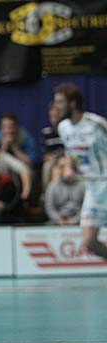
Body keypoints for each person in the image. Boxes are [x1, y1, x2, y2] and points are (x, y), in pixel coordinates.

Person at [54, 83, 107, 259]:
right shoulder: (63, 128)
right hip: (93, 190)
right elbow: (70, 152)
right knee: (88, 243)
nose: (56, 107)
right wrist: (69, 167)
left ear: (73, 103)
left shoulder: (96, 123)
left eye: (60, 102)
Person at [44, 155, 85, 225]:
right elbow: (49, 208)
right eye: (64, 167)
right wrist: (58, 219)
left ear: (75, 169)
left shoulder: (83, 185)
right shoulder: (53, 185)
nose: (68, 171)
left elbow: (86, 207)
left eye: (71, 167)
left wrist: (75, 220)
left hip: (80, 221)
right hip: (58, 221)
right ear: (60, 170)